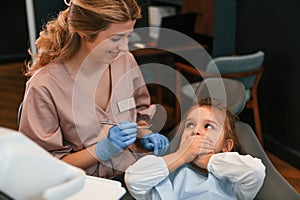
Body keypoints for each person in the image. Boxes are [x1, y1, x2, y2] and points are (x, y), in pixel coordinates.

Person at [19, 0, 169, 180]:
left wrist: (145, 134)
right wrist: (101, 150)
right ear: (84, 33)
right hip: (85, 185)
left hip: (132, 174)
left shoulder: (125, 61)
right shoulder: (44, 86)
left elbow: (139, 111)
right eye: (116, 38)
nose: (125, 47)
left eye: (128, 36)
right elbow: (45, 165)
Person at [125, 97, 266, 200]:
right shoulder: (165, 177)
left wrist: (208, 161)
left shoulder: (232, 181)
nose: (195, 131)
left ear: (226, 146)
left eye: (208, 126)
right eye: (190, 125)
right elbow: (133, 180)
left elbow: (256, 171)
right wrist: (181, 156)